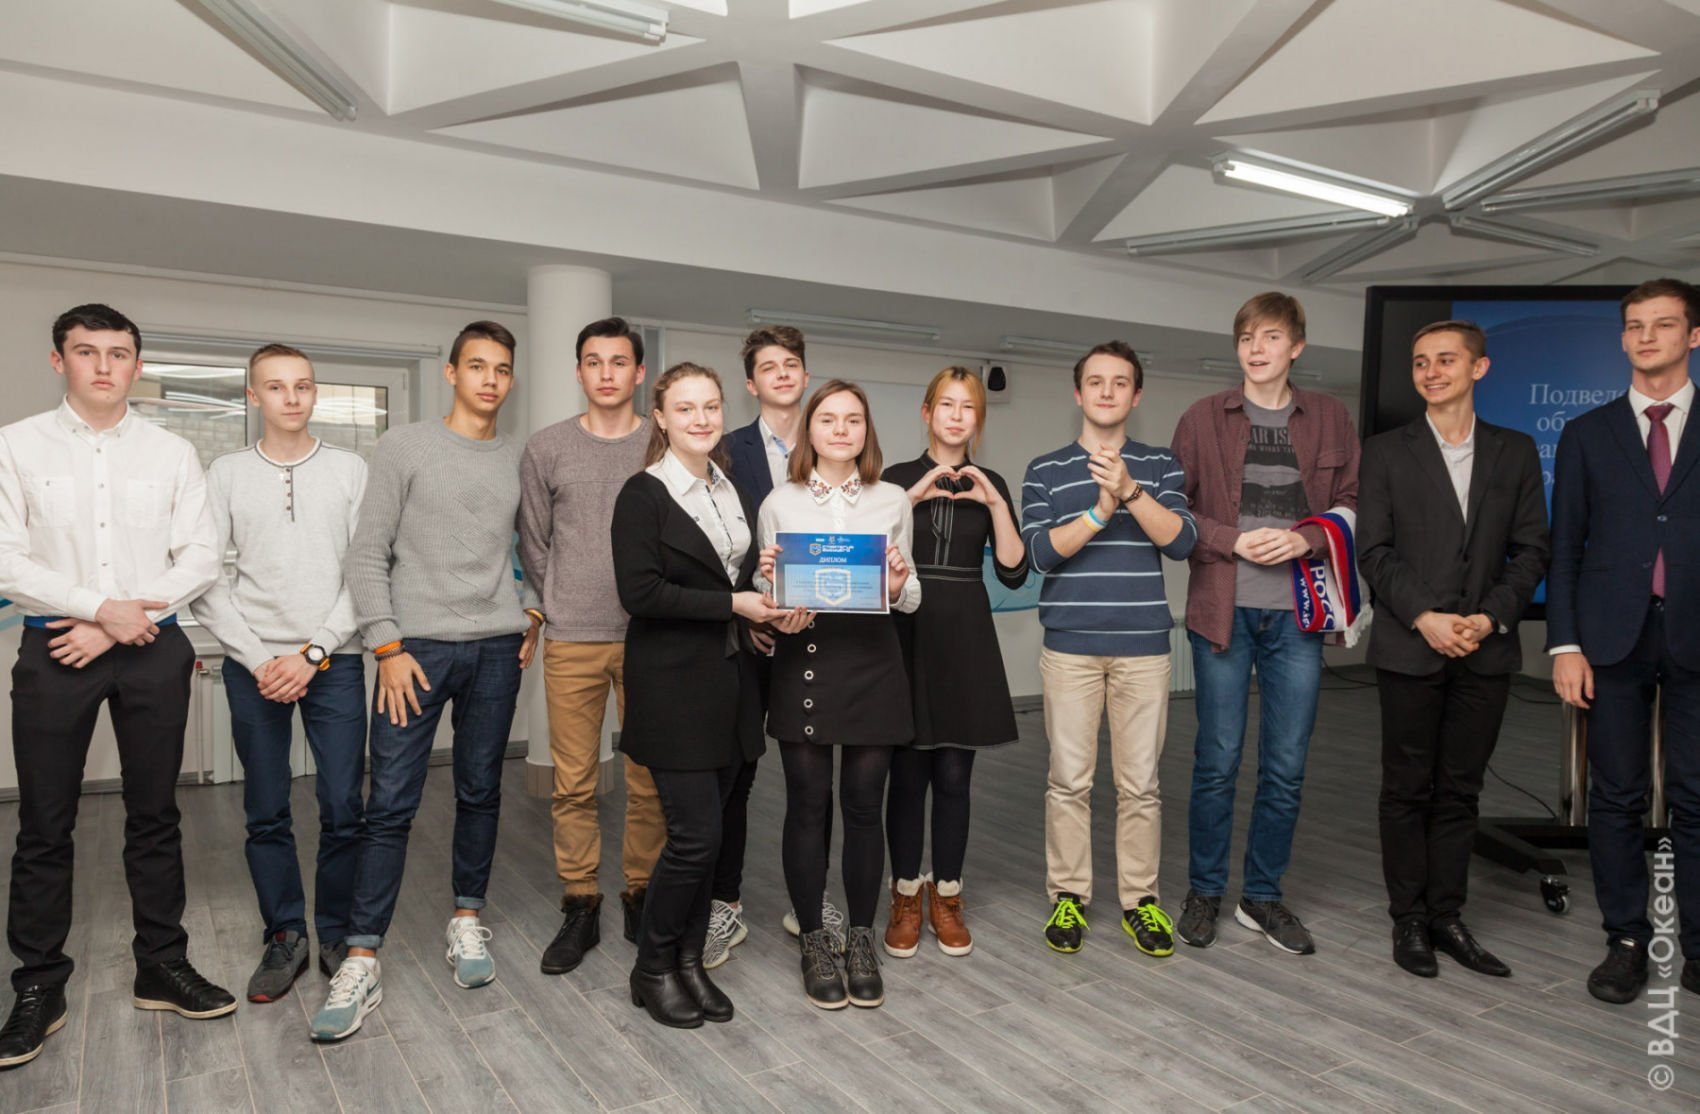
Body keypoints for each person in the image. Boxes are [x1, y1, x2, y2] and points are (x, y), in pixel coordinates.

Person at [0, 304, 232, 1070]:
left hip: (153, 650)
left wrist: (118, 621)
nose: (104, 366)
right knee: (44, 826)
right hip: (54, 648)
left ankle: (161, 966)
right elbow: (5, 558)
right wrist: (101, 610)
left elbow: (201, 556)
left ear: (137, 364)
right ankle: (39, 986)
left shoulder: (173, 452)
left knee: (156, 815)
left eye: (119, 353)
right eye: (86, 351)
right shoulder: (14, 446)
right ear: (58, 359)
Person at [311, 321, 542, 1041]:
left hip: (496, 648)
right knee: (391, 803)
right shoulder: (404, 446)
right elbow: (366, 552)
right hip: (413, 652)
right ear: (452, 373)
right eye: (477, 366)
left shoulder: (520, 457)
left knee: (481, 789)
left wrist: (532, 609)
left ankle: (467, 919)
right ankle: (362, 955)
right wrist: (385, 645)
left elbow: (541, 545)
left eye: (501, 369)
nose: (490, 380)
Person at [1357, 321, 1549, 980]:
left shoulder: (1515, 451)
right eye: (1420, 362)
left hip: (1485, 650)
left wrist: (1489, 618)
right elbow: (1374, 550)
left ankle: (1447, 915)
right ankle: (1409, 919)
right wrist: (1426, 617)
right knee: (1406, 789)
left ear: (1479, 368)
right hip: (1410, 646)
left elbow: (1532, 549)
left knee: (1461, 791)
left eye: (1445, 360)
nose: (1431, 372)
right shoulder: (1386, 451)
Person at [1168, 292, 1358, 956]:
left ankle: (1262, 896)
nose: (1256, 348)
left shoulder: (1330, 417)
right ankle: (1204, 892)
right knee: (1217, 762)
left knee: (1285, 766)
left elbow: (1352, 502)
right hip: (1222, 613)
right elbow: (1173, 513)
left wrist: (1307, 539)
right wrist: (1231, 539)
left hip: (1299, 617)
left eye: (1271, 336)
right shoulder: (1201, 418)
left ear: (1296, 347)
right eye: (1246, 336)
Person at [611, 362, 798, 1028]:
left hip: (733, 678)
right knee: (693, 838)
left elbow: (734, 579)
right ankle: (651, 967)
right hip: (673, 687)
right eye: (685, 408)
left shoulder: (730, 487)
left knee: (714, 837)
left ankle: (689, 961)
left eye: (711, 406)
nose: (701, 418)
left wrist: (763, 595)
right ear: (660, 418)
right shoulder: (643, 493)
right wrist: (733, 604)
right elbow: (641, 593)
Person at [190, 344, 369, 1003]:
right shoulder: (227, 472)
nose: (292, 397)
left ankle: (338, 932)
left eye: (303, 385)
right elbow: (205, 578)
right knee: (265, 808)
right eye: (276, 386)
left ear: (315, 393)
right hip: (254, 666)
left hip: (335, 661)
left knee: (344, 805)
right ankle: (286, 934)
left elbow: (367, 572)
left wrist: (313, 653)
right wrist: (262, 658)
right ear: (253, 396)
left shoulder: (350, 469)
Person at [1549, 277, 1700, 1005]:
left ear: (1693, 336)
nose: (1646, 336)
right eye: (1635, 325)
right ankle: (1627, 941)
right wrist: (1565, 645)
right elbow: (1565, 549)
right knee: (1615, 797)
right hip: (1610, 641)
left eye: (1663, 324)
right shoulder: (1588, 433)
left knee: (1698, 796)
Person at [1020, 341, 1196, 957]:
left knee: (1140, 785)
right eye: (1095, 381)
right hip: (1070, 650)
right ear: (1078, 393)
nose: (1106, 391)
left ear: (1135, 396)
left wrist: (1130, 491)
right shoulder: (1045, 469)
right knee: (1069, 781)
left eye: (1120, 382)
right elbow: (1039, 555)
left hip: (1143, 650)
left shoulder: (1161, 464)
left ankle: (1140, 901)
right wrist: (1100, 510)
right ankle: (1067, 895)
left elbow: (1182, 542)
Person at [756, 380, 918, 1010]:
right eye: (828, 419)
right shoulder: (779, 501)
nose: (841, 429)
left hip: (875, 662)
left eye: (853, 419)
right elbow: (765, 594)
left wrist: (898, 583)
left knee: (863, 808)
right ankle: (814, 942)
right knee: (807, 807)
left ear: (866, 430)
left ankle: (859, 938)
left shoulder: (893, 499)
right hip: (806, 660)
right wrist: (771, 589)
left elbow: (910, 595)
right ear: (810, 430)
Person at [519, 316, 664, 975]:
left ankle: (642, 893)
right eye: (594, 361)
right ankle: (580, 901)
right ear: (578, 371)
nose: (607, 373)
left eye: (619, 361)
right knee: (573, 782)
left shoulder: (663, 443)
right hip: (573, 636)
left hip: (651, 638)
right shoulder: (546, 448)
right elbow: (534, 541)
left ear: (640, 372)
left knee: (649, 778)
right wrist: (554, 603)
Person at [880, 366, 1027, 958]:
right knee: (906, 777)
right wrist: (913, 496)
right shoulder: (894, 479)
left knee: (954, 778)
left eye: (968, 407)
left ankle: (947, 895)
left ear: (978, 420)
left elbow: (1013, 570)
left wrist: (992, 500)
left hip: (966, 633)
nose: (957, 415)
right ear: (927, 412)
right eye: (946, 404)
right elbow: (871, 553)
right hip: (905, 630)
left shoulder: (992, 482)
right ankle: (904, 896)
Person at [714, 325, 841, 965]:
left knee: (812, 782)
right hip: (748, 636)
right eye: (769, 366)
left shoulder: (836, 447)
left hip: (822, 641)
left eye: (792, 364)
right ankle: (725, 903)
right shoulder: (725, 451)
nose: (783, 374)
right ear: (751, 383)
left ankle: (809, 902)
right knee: (736, 774)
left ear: (805, 376)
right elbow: (716, 544)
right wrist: (748, 617)